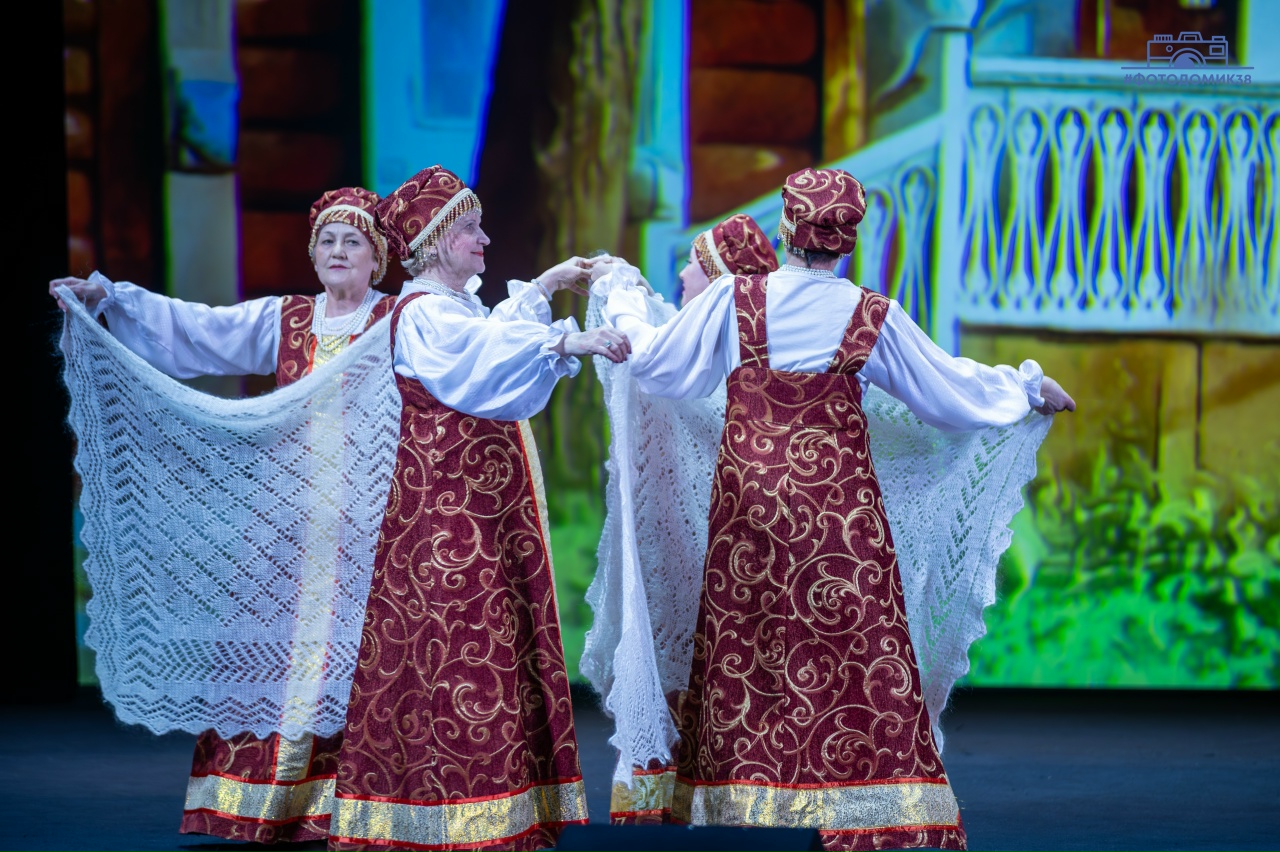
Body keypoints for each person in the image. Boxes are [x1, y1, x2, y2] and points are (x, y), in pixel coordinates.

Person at [595, 167, 1074, 851]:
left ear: (786, 227)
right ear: (846, 241)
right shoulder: (869, 312)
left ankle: (750, 789)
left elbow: (660, 364)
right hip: (837, 511)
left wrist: (621, 302)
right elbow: (946, 389)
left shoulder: (734, 298)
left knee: (753, 650)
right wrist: (1024, 388)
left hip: (751, 505)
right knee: (859, 650)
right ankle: (876, 804)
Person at [51, 186, 398, 844]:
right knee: (272, 658)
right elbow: (201, 329)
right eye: (326, 240)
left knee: (364, 660)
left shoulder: (399, 319)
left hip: (370, 526)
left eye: (352, 241)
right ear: (312, 253)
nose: (337, 251)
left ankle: (358, 800)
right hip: (289, 526)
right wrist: (111, 299)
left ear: (377, 257)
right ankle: (266, 800)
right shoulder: (287, 319)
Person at [328, 165, 627, 852]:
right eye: (470, 230)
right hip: (449, 520)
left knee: (492, 643)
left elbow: (489, 337)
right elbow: (479, 363)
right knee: (458, 651)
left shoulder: (453, 307)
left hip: (479, 512)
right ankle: (453, 812)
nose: (485, 240)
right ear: (435, 241)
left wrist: (546, 287)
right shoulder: (421, 313)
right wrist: (564, 339)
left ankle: (501, 807)